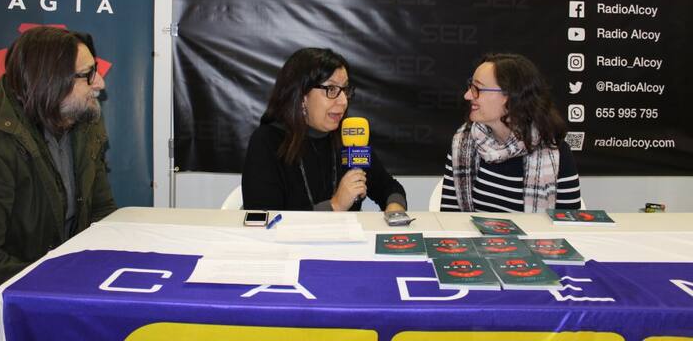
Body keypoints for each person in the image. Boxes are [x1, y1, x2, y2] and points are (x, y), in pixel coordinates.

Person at [0, 27, 117, 341]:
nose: (100, 83)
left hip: (46, 291)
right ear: (51, 83)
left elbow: (101, 212)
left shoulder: (80, 121)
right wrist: (68, 278)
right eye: (87, 74)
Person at [242, 48, 407, 212]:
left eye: (345, 90)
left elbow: (390, 188)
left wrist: (394, 210)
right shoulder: (267, 141)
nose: (343, 101)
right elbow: (263, 218)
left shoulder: (348, 138)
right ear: (302, 95)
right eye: (331, 89)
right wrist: (335, 205)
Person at [441, 53, 581, 213]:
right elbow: (449, 219)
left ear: (510, 95)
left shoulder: (556, 152)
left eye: (477, 89)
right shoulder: (462, 144)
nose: (467, 95)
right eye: (470, 87)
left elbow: (568, 223)